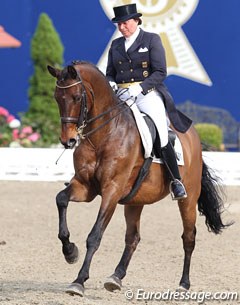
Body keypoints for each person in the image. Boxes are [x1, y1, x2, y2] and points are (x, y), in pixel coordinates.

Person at [106, 3, 192, 200]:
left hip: (147, 95)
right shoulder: (116, 45)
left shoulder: (151, 39)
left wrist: (141, 88)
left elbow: (160, 72)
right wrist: (111, 83)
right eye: (119, 24)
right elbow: (110, 72)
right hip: (122, 95)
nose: (122, 27)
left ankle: (176, 181)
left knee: (161, 134)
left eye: (125, 23)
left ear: (136, 21)